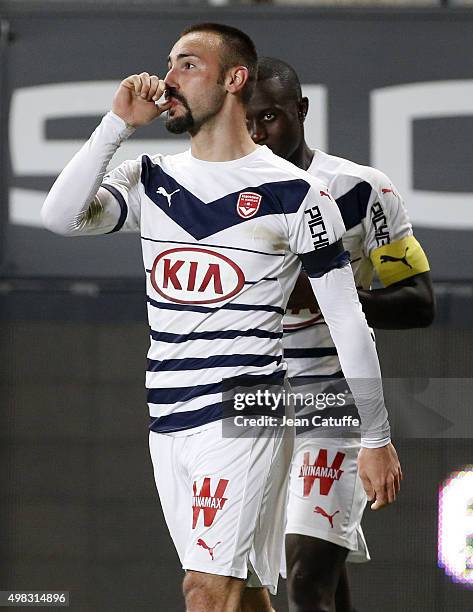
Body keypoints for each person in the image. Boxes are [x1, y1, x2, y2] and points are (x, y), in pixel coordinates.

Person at [42, 25, 401, 612]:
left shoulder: (297, 194)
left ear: (235, 79)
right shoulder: (151, 178)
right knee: (245, 595)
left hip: (244, 413)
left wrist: (375, 436)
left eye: (188, 65)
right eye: (169, 64)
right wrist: (116, 125)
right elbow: (61, 217)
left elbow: (348, 320)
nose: (168, 79)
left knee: (204, 594)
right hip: (168, 417)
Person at [246, 57, 434, 612]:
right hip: (251, 406)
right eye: (248, 121)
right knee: (299, 582)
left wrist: (334, 299)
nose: (259, 134)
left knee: (305, 580)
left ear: (303, 111)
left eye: (273, 117)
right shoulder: (224, 196)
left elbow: (420, 303)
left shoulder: (361, 190)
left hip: (333, 400)